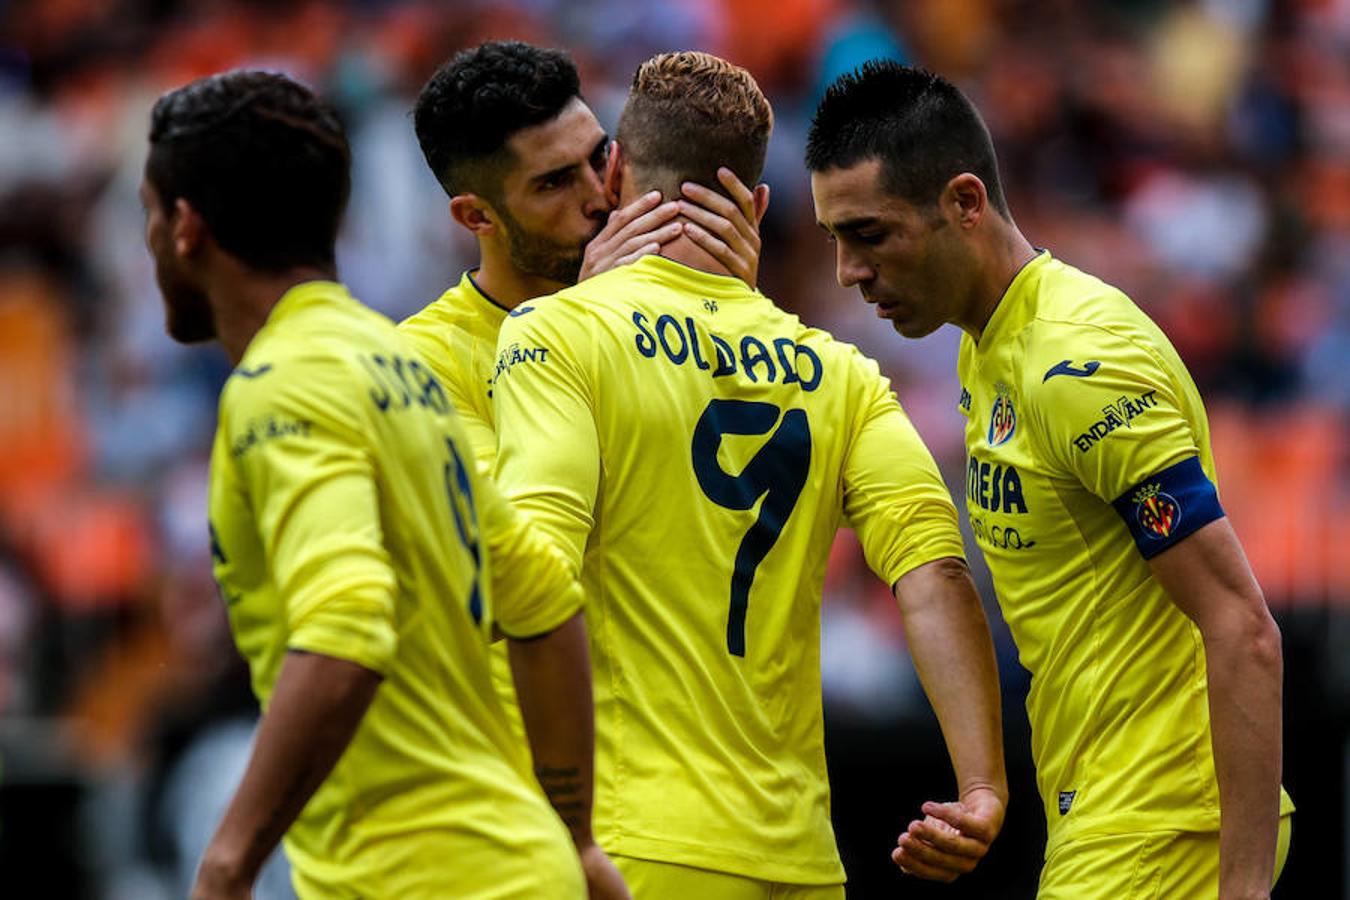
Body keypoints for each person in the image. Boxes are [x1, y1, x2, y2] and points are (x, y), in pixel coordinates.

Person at [492, 51, 1007, 898]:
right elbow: (936, 571)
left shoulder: (558, 335)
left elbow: (534, 571)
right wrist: (982, 786)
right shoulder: (840, 373)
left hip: (627, 847)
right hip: (795, 861)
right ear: (759, 205)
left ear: (614, 172)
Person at [807, 61, 1294, 899]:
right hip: (1105, 810)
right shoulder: (987, 344)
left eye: (871, 234)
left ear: (965, 202)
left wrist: (1241, 890)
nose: (850, 271)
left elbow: (1243, 628)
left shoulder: (1077, 362)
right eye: (836, 240)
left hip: (1163, 820)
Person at [141, 69, 626, 900]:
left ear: (185, 227)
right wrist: (574, 840)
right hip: (521, 863)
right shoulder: (401, 366)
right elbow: (544, 601)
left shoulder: (285, 383)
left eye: (147, 215)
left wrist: (228, 862)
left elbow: (344, 627)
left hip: (414, 876)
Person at [399, 39, 763, 748]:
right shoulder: (421, 366)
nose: (599, 197)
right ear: (476, 217)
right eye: (553, 183)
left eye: (601, 157)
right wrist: (586, 328)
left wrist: (736, 320)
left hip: (697, 752)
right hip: (541, 774)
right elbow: (516, 568)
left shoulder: (677, 307)